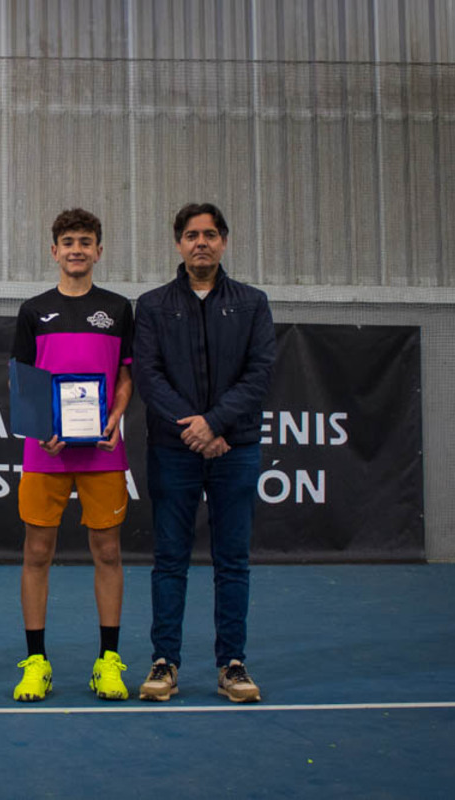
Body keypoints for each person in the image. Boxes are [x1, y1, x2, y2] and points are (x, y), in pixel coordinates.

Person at [132, 202, 275, 703]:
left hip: (234, 447)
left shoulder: (254, 303)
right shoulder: (151, 305)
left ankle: (232, 664)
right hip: (174, 450)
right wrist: (193, 427)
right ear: (178, 244)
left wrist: (215, 424)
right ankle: (164, 662)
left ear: (224, 242)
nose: (201, 243)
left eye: (210, 234)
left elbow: (259, 373)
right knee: (170, 559)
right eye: (192, 235)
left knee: (232, 560)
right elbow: (148, 376)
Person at [10, 208, 135, 702]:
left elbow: (126, 376)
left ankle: (108, 662)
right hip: (47, 453)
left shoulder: (119, 309)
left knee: (108, 552)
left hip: (103, 449)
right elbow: (22, 383)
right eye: (68, 241)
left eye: (85, 241)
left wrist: (115, 417)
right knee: (37, 553)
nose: (76, 249)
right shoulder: (33, 310)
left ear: (99, 251)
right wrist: (42, 427)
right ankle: (36, 662)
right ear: (54, 250)